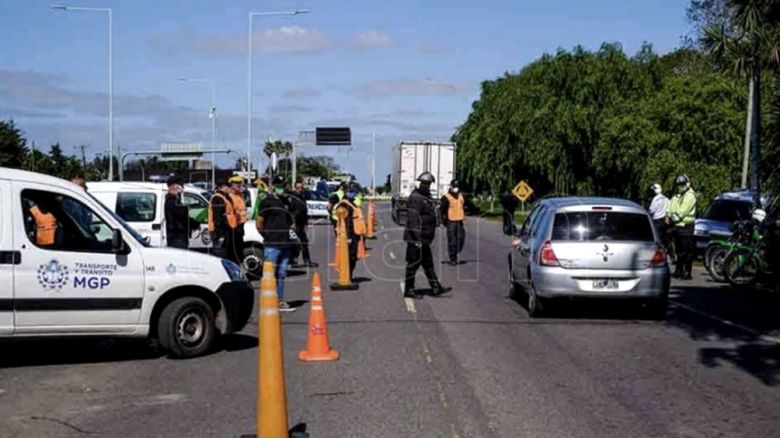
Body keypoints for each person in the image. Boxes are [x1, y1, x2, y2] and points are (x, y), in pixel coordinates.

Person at [403, 172, 452, 299]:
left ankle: (435, 287)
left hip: (425, 238)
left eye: (428, 184)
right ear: (419, 183)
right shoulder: (416, 198)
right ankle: (409, 289)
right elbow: (413, 219)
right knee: (413, 264)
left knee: (428, 263)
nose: (427, 186)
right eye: (424, 183)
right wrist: (417, 239)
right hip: (416, 238)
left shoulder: (426, 197)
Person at [256, 175, 296, 312]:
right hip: (272, 244)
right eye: (279, 186)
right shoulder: (267, 202)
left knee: (282, 273)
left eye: (283, 186)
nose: (281, 188)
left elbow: (290, 220)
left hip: (285, 243)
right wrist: (267, 235)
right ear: (273, 187)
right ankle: (268, 300)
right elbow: (259, 222)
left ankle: (279, 300)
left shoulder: (286, 201)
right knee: (270, 274)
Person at [667, 175, 697, 280]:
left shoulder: (690, 196)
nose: (680, 186)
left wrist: (671, 219)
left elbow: (682, 212)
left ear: (687, 184)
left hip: (687, 226)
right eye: (679, 184)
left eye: (682, 184)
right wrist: (669, 216)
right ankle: (678, 270)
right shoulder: (677, 196)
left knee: (687, 252)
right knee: (679, 250)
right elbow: (670, 208)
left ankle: (687, 272)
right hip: (678, 226)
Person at [333, 182, 365, 280]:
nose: (353, 193)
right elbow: (346, 222)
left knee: (353, 257)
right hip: (349, 235)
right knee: (350, 256)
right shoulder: (345, 204)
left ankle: (348, 275)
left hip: (354, 234)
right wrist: (348, 237)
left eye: (354, 191)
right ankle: (347, 276)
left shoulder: (352, 203)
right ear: (347, 192)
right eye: (351, 191)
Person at [208, 181, 240, 263]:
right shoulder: (217, 198)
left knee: (227, 254)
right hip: (220, 232)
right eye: (227, 187)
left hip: (228, 230)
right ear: (221, 187)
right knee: (220, 254)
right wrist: (221, 233)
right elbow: (218, 218)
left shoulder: (225, 197)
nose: (229, 188)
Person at [289, 180, 318, 268]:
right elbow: (289, 211)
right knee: (296, 243)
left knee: (303, 242)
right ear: (295, 188)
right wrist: (291, 223)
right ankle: (293, 261)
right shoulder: (292, 198)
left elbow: (304, 211)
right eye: (298, 188)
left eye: (301, 188)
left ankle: (305, 260)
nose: (300, 189)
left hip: (301, 224)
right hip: (294, 224)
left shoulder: (302, 197)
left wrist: (306, 222)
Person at [164, 176, 196, 249]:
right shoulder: (173, 201)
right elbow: (182, 217)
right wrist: (194, 224)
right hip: (177, 237)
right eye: (180, 185)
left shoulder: (173, 200)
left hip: (177, 236)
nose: (182, 187)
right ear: (174, 187)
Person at [440, 179, 466, 265]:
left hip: (460, 221)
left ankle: (456, 251)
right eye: (454, 187)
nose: (456, 189)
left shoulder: (461, 196)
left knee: (461, 238)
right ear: (451, 187)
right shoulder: (446, 197)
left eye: (457, 187)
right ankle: (453, 259)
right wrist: (442, 220)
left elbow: (463, 204)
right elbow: (442, 210)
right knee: (452, 241)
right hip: (451, 222)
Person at [228, 176, 248, 259]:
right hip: (233, 228)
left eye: (240, 183)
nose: (239, 185)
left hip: (241, 226)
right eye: (237, 183)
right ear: (231, 184)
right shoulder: (229, 196)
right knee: (233, 252)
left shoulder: (240, 195)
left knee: (240, 252)